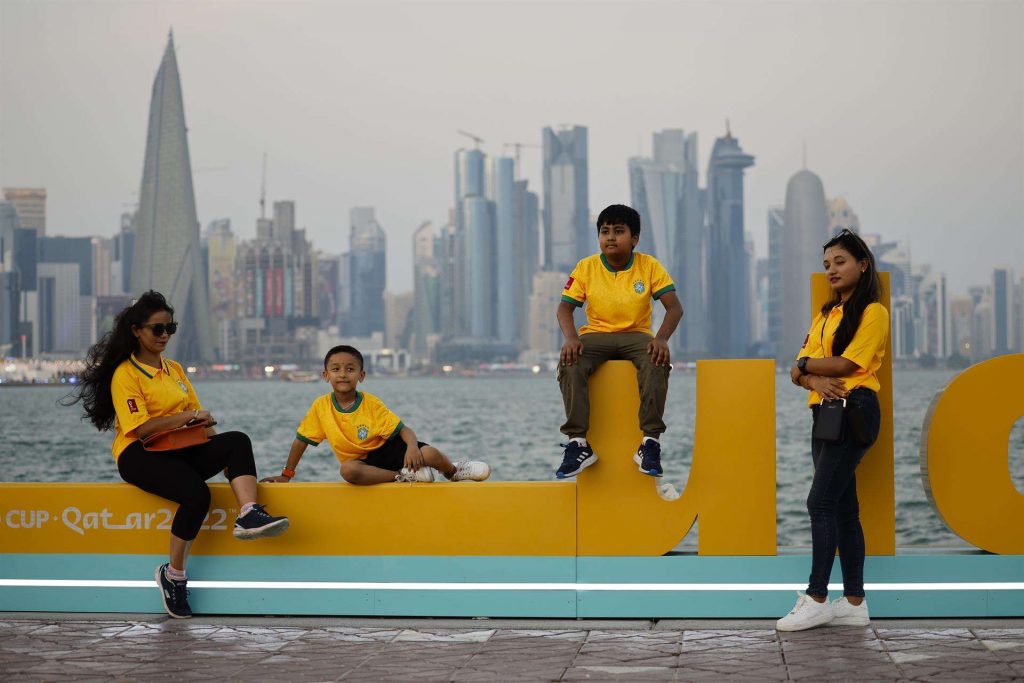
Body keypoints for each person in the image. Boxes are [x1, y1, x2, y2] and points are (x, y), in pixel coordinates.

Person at [68, 291, 290, 620]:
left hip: (179, 449)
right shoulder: (125, 375)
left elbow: (198, 418)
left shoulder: (174, 369)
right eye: (157, 329)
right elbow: (142, 429)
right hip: (138, 454)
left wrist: (226, 456)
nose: (164, 336)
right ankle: (174, 576)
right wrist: (187, 418)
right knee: (197, 496)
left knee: (237, 441)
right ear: (136, 330)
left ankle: (248, 512)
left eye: (169, 328)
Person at [776, 229, 888, 632]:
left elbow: (844, 365)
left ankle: (818, 597)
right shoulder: (825, 314)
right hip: (824, 412)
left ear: (862, 264)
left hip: (854, 409)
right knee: (843, 508)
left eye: (839, 262)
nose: (832, 270)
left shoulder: (873, 311)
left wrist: (808, 367)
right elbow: (796, 369)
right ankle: (855, 602)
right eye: (826, 265)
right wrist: (811, 379)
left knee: (818, 503)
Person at [554, 204, 683, 479]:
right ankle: (578, 443)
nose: (610, 237)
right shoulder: (586, 267)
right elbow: (564, 308)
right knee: (570, 360)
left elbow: (674, 308)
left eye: (619, 231)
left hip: (636, 335)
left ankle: (650, 442)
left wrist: (661, 339)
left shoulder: (648, 265)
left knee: (656, 360)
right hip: (595, 335)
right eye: (604, 231)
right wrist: (571, 338)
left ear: (634, 239)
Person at [261, 344, 490, 485]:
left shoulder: (370, 403)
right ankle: (403, 477)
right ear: (325, 375)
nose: (342, 374)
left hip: (390, 449)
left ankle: (453, 471)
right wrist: (286, 474)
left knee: (428, 453)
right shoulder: (320, 407)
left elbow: (404, 431)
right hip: (363, 462)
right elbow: (301, 442)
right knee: (347, 470)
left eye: (350, 369)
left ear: (361, 375)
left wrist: (411, 448)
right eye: (336, 369)